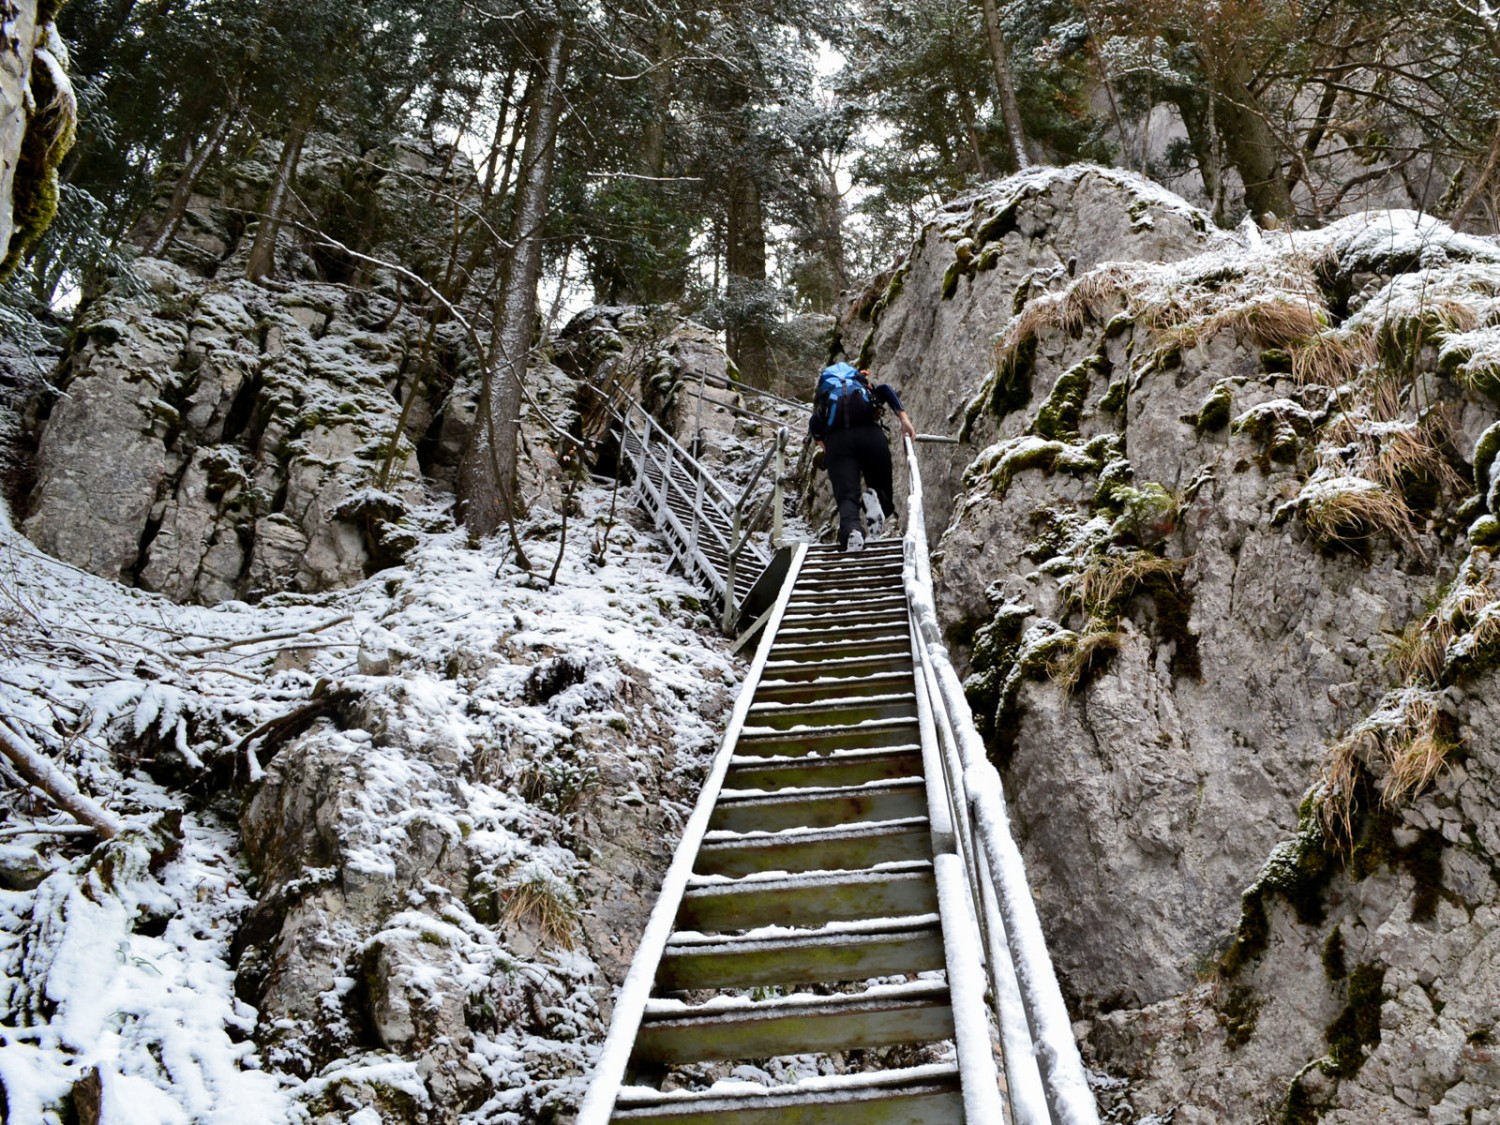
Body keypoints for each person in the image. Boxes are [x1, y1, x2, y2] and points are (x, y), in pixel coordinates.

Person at [808, 362, 917, 552]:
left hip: (838, 441)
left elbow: (815, 425)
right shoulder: (863, 389)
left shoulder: (826, 400)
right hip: (871, 436)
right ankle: (875, 498)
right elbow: (885, 389)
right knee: (881, 486)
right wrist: (904, 420)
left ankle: (852, 531)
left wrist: (829, 451)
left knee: (847, 496)